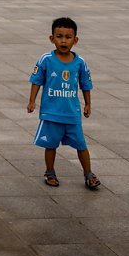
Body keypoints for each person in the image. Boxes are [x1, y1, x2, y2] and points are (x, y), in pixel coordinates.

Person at [27, 17, 99, 190]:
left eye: (68, 37)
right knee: (50, 145)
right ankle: (50, 171)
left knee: (81, 145)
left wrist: (88, 104)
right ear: (52, 39)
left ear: (75, 40)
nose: (63, 40)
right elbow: (36, 80)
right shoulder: (46, 59)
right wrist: (32, 101)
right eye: (59, 36)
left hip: (72, 113)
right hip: (51, 113)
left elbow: (85, 85)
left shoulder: (80, 63)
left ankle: (88, 173)